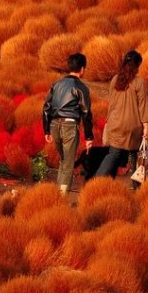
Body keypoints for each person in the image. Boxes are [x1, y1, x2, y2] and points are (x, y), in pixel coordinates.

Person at [95, 50, 148, 184]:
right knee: (137, 157)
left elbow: (111, 104)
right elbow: (143, 106)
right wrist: (146, 126)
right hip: (133, 126)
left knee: (114, 154)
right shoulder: (139, 83)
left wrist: (108, 122)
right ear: (137, 66)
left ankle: (97, 182)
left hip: (115, 123)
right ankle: (137, 188)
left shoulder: (115, 79)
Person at [42, 52, 94, 194]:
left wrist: (46, 130)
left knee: (63, 160)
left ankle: (58, 195)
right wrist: (89, 137)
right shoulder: (81, 87)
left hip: (54, 125)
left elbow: (46, 107)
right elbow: (86, 113)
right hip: (69, 126)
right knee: (68, 163)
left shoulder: (57, 84)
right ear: (82, 69)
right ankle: (62, 199)